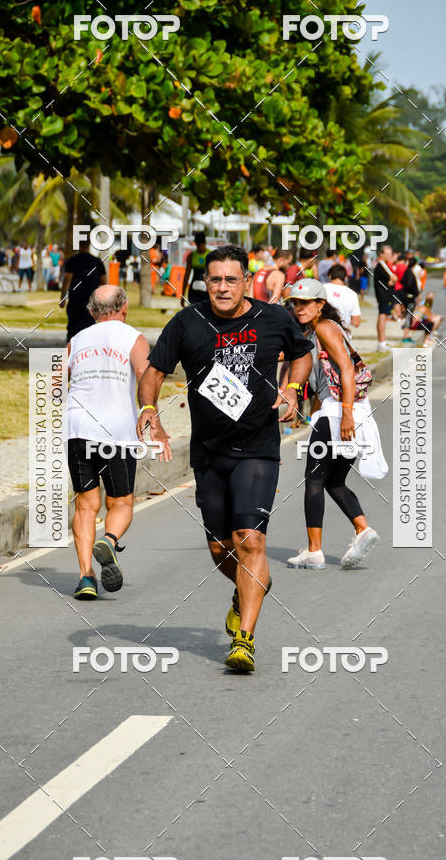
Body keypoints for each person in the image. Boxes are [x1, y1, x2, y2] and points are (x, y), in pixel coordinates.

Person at [137, 244, 313, 672]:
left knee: (250, 540)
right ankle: (243, 589)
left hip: (258, 447)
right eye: (214, 279)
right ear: (204, 283)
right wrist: (148, 411)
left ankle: (245, 640)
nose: (221, 287)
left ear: (246, 281)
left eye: (230, 279)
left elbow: (302, 354)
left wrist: (291, 390)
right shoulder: (187, 322)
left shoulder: (272, 318)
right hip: (209, 451)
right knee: (220, 548)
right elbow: (154, 370)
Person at [286, 279, 385, 571]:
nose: (299, 308)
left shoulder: (324, 327)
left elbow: (346, 369)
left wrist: (345, 414)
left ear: (320, 304)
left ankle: (314, 551)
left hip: (340, 413)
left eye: (305, 303)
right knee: (334, 480)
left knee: (314, 479)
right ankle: (363, 530)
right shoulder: (326, 329)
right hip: (345, 412)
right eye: (295, 302)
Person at [67, 285, 151, 600]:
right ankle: (110, 540)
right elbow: (145, 374)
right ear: (124, 307)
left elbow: (56, 383)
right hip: (116, 431)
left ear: (91, 311)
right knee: (121, 503)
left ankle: (86, 577)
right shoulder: (134, 337)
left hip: (78, 428)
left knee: (86, 505)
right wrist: (149, 413)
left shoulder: (76, 340)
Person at [59, 243, 107, 341]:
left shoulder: (73, 260)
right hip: (91, 301)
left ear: (78, 246)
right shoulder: (97, 261)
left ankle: (71, 352)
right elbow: (104, 281)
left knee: (73, 329)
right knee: (89, 328)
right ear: (89, 245)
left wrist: (63, 298)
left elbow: (67, 279)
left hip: (75, 300)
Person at [373, 245, 398, 351]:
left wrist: (391, 281)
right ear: (381, 254)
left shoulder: (383, 265)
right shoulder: (382, 264)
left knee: (383, 316)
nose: (390, 256)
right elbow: (394, 278)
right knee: (382, 316)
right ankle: (381, 343)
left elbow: (390, 280)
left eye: (390, 254)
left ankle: (382, 342)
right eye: (387, 254)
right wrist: (392, 281)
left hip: (384, 295)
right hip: (383, 296)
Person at [324, 264, 361, 329]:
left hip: (322, 333)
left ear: (329, 276)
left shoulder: (322, 288)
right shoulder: (352, 294)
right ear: (345, 278)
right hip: (343, 335)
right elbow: (356, 322)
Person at [398, 256, 421, 344]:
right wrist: (416, 294)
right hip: (410, 298)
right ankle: (406, 335)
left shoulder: (407, 272)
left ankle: (407, 334)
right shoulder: (410, 273)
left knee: (408, 316)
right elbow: (409, 285)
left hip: (406, 297)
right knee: (408, 316)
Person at [181, 232, 208, 306]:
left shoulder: (211, 255)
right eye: (198, 245)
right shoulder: (191, 256)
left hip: (207, 290)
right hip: (194, 291)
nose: (200, 247)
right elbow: (186, 276)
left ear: (205, 243)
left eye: (201, 244)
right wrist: (182, 296)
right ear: (196, 244)